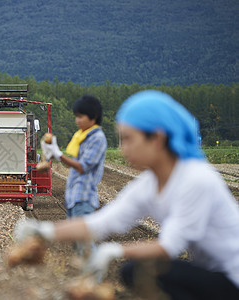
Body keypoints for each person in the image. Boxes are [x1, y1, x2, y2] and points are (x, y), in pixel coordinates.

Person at [16, 90, 239, 300]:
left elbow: (170, 246)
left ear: (157, 138)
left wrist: (113, 250)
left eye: (129, 139)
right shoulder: (150, 183)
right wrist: (45, 231)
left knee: (146, 271)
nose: (124, 149)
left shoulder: (195, 179)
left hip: (232, 278)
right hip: (212, 274)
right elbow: (103, 222)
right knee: (134, 271)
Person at [41, 95, 107, 255]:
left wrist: (58, 155)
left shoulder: (97, 138)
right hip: (74, 197)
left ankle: (93, 278)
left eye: (81, 116)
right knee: (78, 245)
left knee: (84, 244)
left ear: (94, 117)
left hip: (83, 197)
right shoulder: (82, 137)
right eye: (76, 116)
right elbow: (74, 164)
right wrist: (53, 155)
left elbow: (82, 167)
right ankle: (86, 278)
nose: (77, 120)